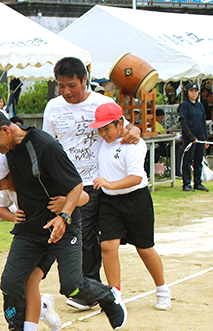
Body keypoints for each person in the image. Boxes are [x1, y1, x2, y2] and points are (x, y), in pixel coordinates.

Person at [0, 108, 127, 331]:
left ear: (4, 130)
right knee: (13, 283)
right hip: (31, 230)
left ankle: (108, 295)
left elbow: (77, 186)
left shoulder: (45, 146)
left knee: (72, 286)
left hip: (63, 225)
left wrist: (64, 214)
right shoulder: (5, 152)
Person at [43, 56, 140, 311]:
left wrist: (135, 130)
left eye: (72, 85)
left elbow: (126, 129)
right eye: (61, 86)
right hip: (65, 183)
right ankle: (90, 287)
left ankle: (90, 289)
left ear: (85, 80)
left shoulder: (102, 102)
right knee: (78, 236)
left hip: (94, 181)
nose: (66, 91)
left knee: (86, 235)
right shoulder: (53, 107)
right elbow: (47, 143)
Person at [0, 150, 62, 331]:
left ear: (11, 174)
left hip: (51, 234)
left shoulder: (36, 180)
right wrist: (13, 216)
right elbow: (0, 209)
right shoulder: (4, 187)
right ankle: (38, 312)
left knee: (30, 281)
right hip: (27, 235)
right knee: (13, 283)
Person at [90, 103, 171, 311]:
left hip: (136, 200)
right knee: (107, 246)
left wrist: (109, 183)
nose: (103, 133)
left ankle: (162, 289)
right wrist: (108, 188)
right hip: (109, 202)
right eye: (100, 129)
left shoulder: (135, 144)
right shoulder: (102, 143)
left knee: (144, 248)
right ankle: (115, 295)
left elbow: (136, 178)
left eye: (107, 128)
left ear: (120, 124)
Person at [179, 82, 209, 192]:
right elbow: (184, 123)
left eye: (196, 91)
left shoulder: (200, 105)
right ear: (188, 92)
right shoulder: (185, 105)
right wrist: (191, 138)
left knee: (198, 160)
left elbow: (203, 122)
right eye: (191, 91)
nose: (194, 93)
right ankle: (186, 183)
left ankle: (198, 182)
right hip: (189, 138)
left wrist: (205, 138)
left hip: (200, 137)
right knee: (187, 161)